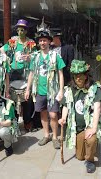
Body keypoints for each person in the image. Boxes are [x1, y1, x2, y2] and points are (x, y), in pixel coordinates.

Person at [58, 59, 101, 173]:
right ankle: (89, 147)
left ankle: (90, 160)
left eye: (80, 76)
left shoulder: (94, 89)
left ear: (86, 76)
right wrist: (63, 118)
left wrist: (93, 128)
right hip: (78, 129)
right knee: (79, 157)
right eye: (75, 76)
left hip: (89, 126)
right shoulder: (70, 89)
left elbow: (97, 108)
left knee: (91, 140)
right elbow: (66, 105)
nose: (78, 79)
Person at [24, 18, 66, 149]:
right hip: (39, 90)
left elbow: (60, 73)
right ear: (38, 42)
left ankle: (55, 137)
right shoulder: (35, 57)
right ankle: (46, 135)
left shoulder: (55, 56)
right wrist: (28, 89)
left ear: (49, 41)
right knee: (42, 113)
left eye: (45, 40)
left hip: (52, 91)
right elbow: (31, 73)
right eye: (41, 40)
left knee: (53, 114)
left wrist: (61, 90)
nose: (43, 42)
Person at [0, 19, 37, 125]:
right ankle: (13, 121)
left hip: (26, 73)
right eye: (18, 30)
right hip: (14, 72)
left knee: (27, 98)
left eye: (22, 30)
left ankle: (27, 122)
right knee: (12, 98)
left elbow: (36, 56)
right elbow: (2, 50)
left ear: (26, 31)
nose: (20, 32)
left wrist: (29, 57)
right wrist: (7, 59)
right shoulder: (12, 42)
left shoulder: (31, 43)